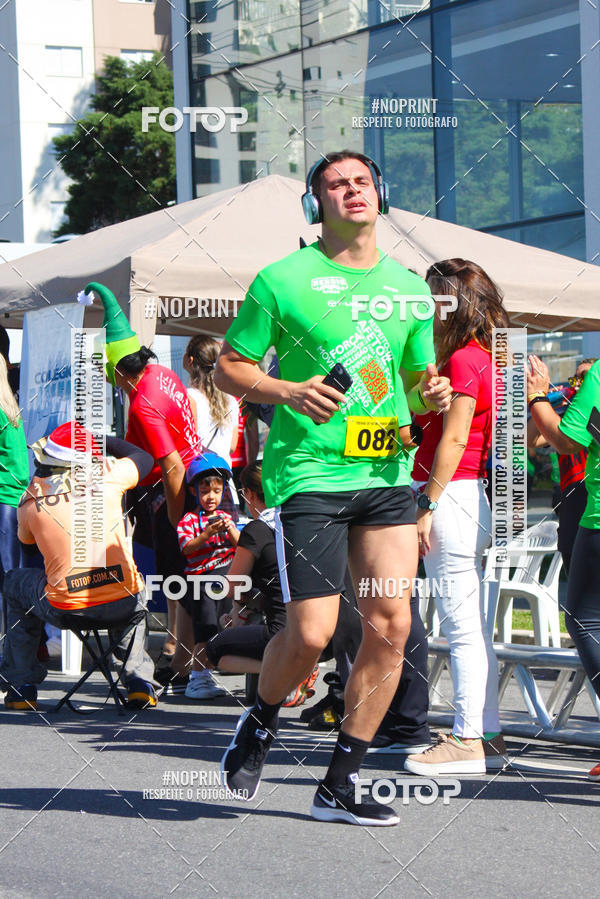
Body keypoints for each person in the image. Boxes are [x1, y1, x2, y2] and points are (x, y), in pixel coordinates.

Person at [215, 149, 451, 826]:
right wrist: (289, 390)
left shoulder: (408, 288)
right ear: (316, 204)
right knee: (314, 632)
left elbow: (411, 382)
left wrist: (427, 390)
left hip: (384, 477)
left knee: (392, 623)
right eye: (336, 185)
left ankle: (339, 782)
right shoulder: (283, 280)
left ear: (381, 193)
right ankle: (260, 720)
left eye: (362, 182)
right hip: (311, 476)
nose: (352, 192)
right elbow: (231, 365)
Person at [403, 258, 509, 777]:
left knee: (461, 625)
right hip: (471, 496)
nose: (426, 308)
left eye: (432, 298)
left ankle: (467, 739)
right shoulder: (487, 358)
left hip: (451, 494)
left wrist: (427, 504)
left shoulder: (467, 359)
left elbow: (455, 436)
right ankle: (484, 732)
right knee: (472, 625)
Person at [78, 283, 199, 676]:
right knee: (182, 579)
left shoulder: (143, 399)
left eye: (103, 367)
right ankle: (182, 658)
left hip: (176, 489)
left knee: (178, 578)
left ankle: (184, 665)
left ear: (117, 368)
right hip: (190, 475)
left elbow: (172, 465)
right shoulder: (159, 372)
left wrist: (174, 519)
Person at [0, 423, 158, 709]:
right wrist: (102, 440)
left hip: (67, 607)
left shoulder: (30, 500)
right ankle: (138, 682)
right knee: (133, 586)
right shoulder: (108, 477)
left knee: (13, 582)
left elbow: (30, 552)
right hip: (122, 601)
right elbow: (145, 458)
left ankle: (21, 685)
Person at [526, 354, 600, 780]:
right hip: (578, 506)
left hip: (595, 514)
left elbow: (566, 440)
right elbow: (535, 440)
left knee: (585, 619)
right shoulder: (574, 397)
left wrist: (537, 392)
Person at [193, 461, 287, 678]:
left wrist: (239, 609)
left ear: (249, 494)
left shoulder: (257, 530)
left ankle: (292, 673)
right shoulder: (299, 523)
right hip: (321, 629)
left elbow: (232, 586)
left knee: (212, 650)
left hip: (282, 632)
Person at [177, 453, 240, 699]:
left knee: (223, 626)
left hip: (225, 578)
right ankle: (197, 678)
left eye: (216, 491)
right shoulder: (188, 520)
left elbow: (239, 545)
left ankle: (210, 674)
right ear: (194, 492)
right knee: (204, 628)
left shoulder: (226, 517)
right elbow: (187, 548)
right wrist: (205, 535)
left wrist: (230, 530)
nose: (210, 497)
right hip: (200, 581)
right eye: (204, 492)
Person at [527, 359, 596, 573]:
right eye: (575, 379)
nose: (577, 385)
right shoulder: (567, 415)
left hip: (590, 493)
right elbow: (530, 440)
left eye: (584, 378)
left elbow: (567, 443)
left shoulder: (594, 409)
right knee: (570, 556)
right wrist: (542, 402)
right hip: (569, 495)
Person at [0, 354, 29, 643]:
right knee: (11, 576)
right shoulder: (11, 411)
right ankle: (18, 647)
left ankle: (12, 648)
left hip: (3, 501)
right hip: (13, 501)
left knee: (8, 579)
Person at [184, 335, 240, 465]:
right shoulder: (231, 400)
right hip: (224, 477)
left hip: (199, 478)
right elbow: (232, 446)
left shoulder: (187, 397)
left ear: (190, 360)